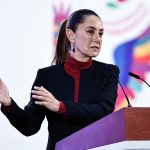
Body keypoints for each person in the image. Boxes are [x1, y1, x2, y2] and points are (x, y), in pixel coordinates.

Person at [0, 9, 119, 150]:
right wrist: (8, 103)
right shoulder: (47, 76)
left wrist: (61, 107)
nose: (97, 39)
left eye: (100, 33)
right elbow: (29, 126)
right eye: (90, 31)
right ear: (71, 35)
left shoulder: (108, 72)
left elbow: (104, 111)